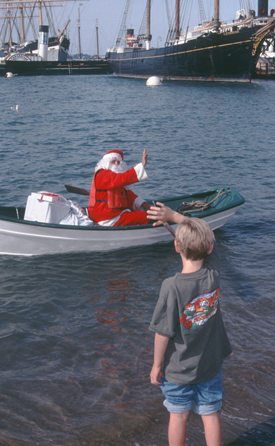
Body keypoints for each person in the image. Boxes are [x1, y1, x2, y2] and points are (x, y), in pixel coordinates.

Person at [147, 203, 232, 446]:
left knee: (178, 415)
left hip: (178, 370)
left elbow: (163, 333)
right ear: (210, 249)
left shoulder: (171, 286)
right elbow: (210, 236)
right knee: (210, 413)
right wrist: (175, 216)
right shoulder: (213, 274)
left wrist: (156, 366)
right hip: (210, 363)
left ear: (176, 246)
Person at [88, 149, 152, 226]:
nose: (116, 163)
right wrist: (142, 165)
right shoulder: (102, 174)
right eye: (113, 161)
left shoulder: (115, 178)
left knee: (142, 212)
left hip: (114, 214)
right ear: (106, 162)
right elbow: (123, 178)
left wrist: (144, 204)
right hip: (106, 218)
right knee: (145, 217)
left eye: (118, 162)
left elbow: (127, 195)